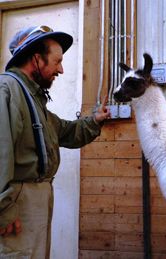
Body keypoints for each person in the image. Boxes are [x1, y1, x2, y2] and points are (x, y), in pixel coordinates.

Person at [0, 25, 111, 258]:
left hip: (34, 200)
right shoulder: (7, 90)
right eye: (57, 61)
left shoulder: (33, 99)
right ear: (37, 59)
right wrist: (4, 211)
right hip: (17, 205)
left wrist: (95, 121)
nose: (60, 69)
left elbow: (65, 131)